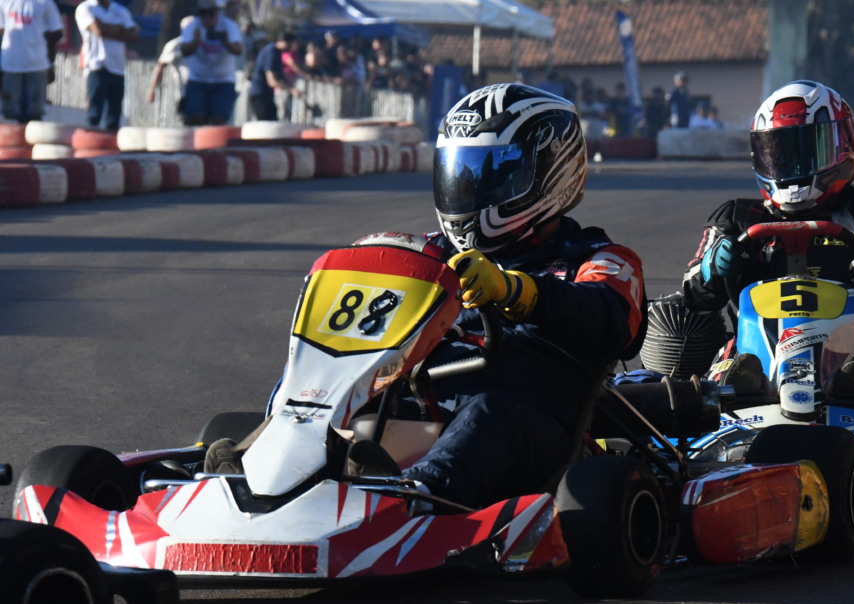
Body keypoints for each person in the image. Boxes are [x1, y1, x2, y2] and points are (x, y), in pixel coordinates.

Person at [213, 84, 645, 510]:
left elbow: (608, 320)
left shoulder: (598, 258)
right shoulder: (431, 253)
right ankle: (259, 471)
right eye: (462, 172)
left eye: (492, 173)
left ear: (550, 172)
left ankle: (410, 500)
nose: (471, 187)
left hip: (528, 429)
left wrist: (514, 289)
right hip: (419, 402)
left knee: (489, 414)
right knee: (325, 388)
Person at [681, 80, 854, 394]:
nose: (792, 166)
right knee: (730, 371)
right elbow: (693, 294)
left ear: (844, 144)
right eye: (780, 154)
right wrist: (710, 269)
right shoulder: (737, 218)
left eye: (808, 151)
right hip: (753, 356)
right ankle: (728, 411)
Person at [74, 0, 139, 131]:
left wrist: (106, 27)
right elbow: (98, 30)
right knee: (95, 111)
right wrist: (120, 28)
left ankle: (110, 144)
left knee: (114, 113)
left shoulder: (120, 10)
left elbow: (133, 34)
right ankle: (90, 144)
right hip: (97, 65)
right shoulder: (86, 8)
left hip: (118, 68)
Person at [180, 0, 242, 126]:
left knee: (219, 119)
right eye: (203, 13)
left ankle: (215, 145)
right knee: (196, 116)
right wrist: (195, 41)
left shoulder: (229, 26)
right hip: (198, 79)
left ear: (218, 13)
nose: (207, 17)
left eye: (211, 13)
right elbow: (184, 51)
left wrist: (226, 42)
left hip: (223, 80)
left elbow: (238, 50)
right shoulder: (193, 26)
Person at [0, 0, 63, 124]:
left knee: (35, 112)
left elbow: (57, 32)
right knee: (10, 111)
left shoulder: (45, 3)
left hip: (37, 64)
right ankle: (11, 142)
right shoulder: (4, 2)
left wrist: (42, 49)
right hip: (10, 64)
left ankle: (31, 141)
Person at [145, 16, 195, 120]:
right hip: (185, 92)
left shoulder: (206, 44)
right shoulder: (176, 44)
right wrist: (152, 90)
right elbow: (160, 66)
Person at [247, 31, 299, 121]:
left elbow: (280, 73)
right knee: (267, 125)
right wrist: (291, 89)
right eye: (290, 44)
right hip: (260, 95)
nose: (291, 47)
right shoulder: (271, 52)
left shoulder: (277, 52)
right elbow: (272, 81)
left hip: (266, 95)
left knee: (273, 120)